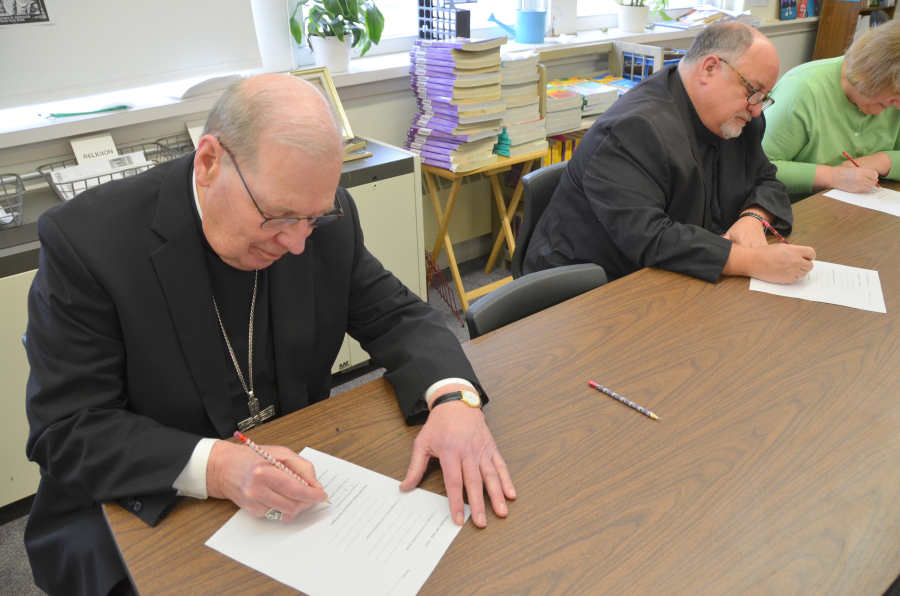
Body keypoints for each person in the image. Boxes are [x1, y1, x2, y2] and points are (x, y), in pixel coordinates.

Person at [24, 74, 516, 596]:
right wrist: (216, 467)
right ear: (210, 162)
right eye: (277, 218)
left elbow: (398, 315)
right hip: (139, 504)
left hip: (293, 491)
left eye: (312, 218)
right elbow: (69, 429)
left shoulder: (321, 220)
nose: (298, 244)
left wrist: (454, 400)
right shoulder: (88, 243)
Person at [523, 22, 815, 285]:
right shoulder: (636, 129)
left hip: (678, 273)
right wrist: (753, 261)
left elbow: (766, 178)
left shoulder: (740, 120)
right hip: (591, 287)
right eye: (753, 90)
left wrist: (752, 218)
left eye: (763, 98)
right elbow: (651, 237)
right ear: (709, 68)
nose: (755, 108)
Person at [762, 20, 900, 203]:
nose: (898, 106)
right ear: (872, 75)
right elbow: (758, 167)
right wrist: (832, 176)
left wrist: (883, 160)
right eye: (894, 95)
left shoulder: (894, 98)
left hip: (859, 211)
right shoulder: (802, 89)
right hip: (794, 212)